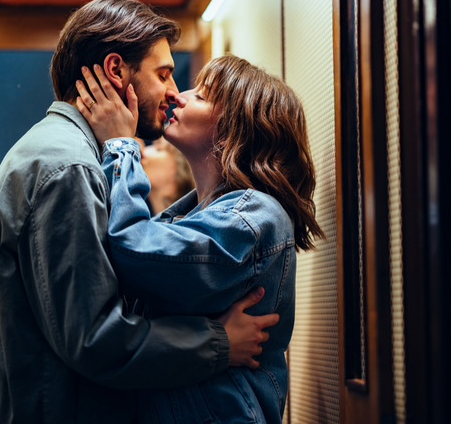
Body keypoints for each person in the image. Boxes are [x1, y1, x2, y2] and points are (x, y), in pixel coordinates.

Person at [0, 0, 280, 424]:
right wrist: (216, 342)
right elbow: (94, 338)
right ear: (115, 71)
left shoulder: (56, 151)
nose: (173, 92)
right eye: (163, 75)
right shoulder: (69, 168)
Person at [76, 54, 324, 423]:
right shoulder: (190, 215)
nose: (178, 95)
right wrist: (218, 338)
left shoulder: (256, 215)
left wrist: (120, 144)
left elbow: (134, 250)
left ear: (238, 128)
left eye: (203, 95)